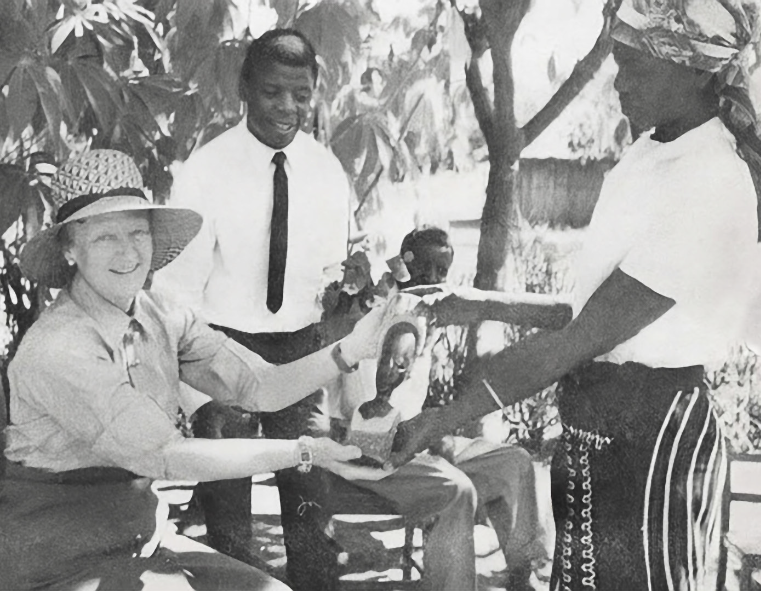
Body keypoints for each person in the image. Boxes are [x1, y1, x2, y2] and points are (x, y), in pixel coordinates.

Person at [389, 1, 761, 589]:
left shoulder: (708, 179)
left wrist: (444, 416)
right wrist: (481, 304)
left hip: (653, 438)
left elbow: (577, 341)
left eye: (635, 66)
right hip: (601, 424)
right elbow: (592, 312)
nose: (620, 83)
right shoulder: (649, 155)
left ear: (695, 72)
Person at [0, 149, 395, 591]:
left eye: (137, 232)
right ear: (70, 250)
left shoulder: (157, 314)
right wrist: (308, 452)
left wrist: (351, 349)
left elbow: (258, 385)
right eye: (105, 238)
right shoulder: (58, 346)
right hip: (57, 558)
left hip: (138, 539)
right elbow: (167, 457)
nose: (128, 252)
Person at [151, 29, 356, 589]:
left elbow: (332, 280)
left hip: (299, 357)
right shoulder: (206, 170)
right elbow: (176, 292)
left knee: (313, 511)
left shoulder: (327, 172)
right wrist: (196, 394)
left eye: (301, 93)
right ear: (244, 89)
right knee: (229, 524)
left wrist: (348, 298)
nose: (288, 107)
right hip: (222, 351)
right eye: (272, 92)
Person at [323, 226, 551, 591]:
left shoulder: (426, 319)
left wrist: (435, 435)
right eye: (423, 269)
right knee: (454, 489)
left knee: (515, 462)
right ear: (402, 265)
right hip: (367, 451)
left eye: (441, 272)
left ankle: (522, 579)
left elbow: (412, 403)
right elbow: (366, 410)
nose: (431, 280)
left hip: (413, 444)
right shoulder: (379, 313)